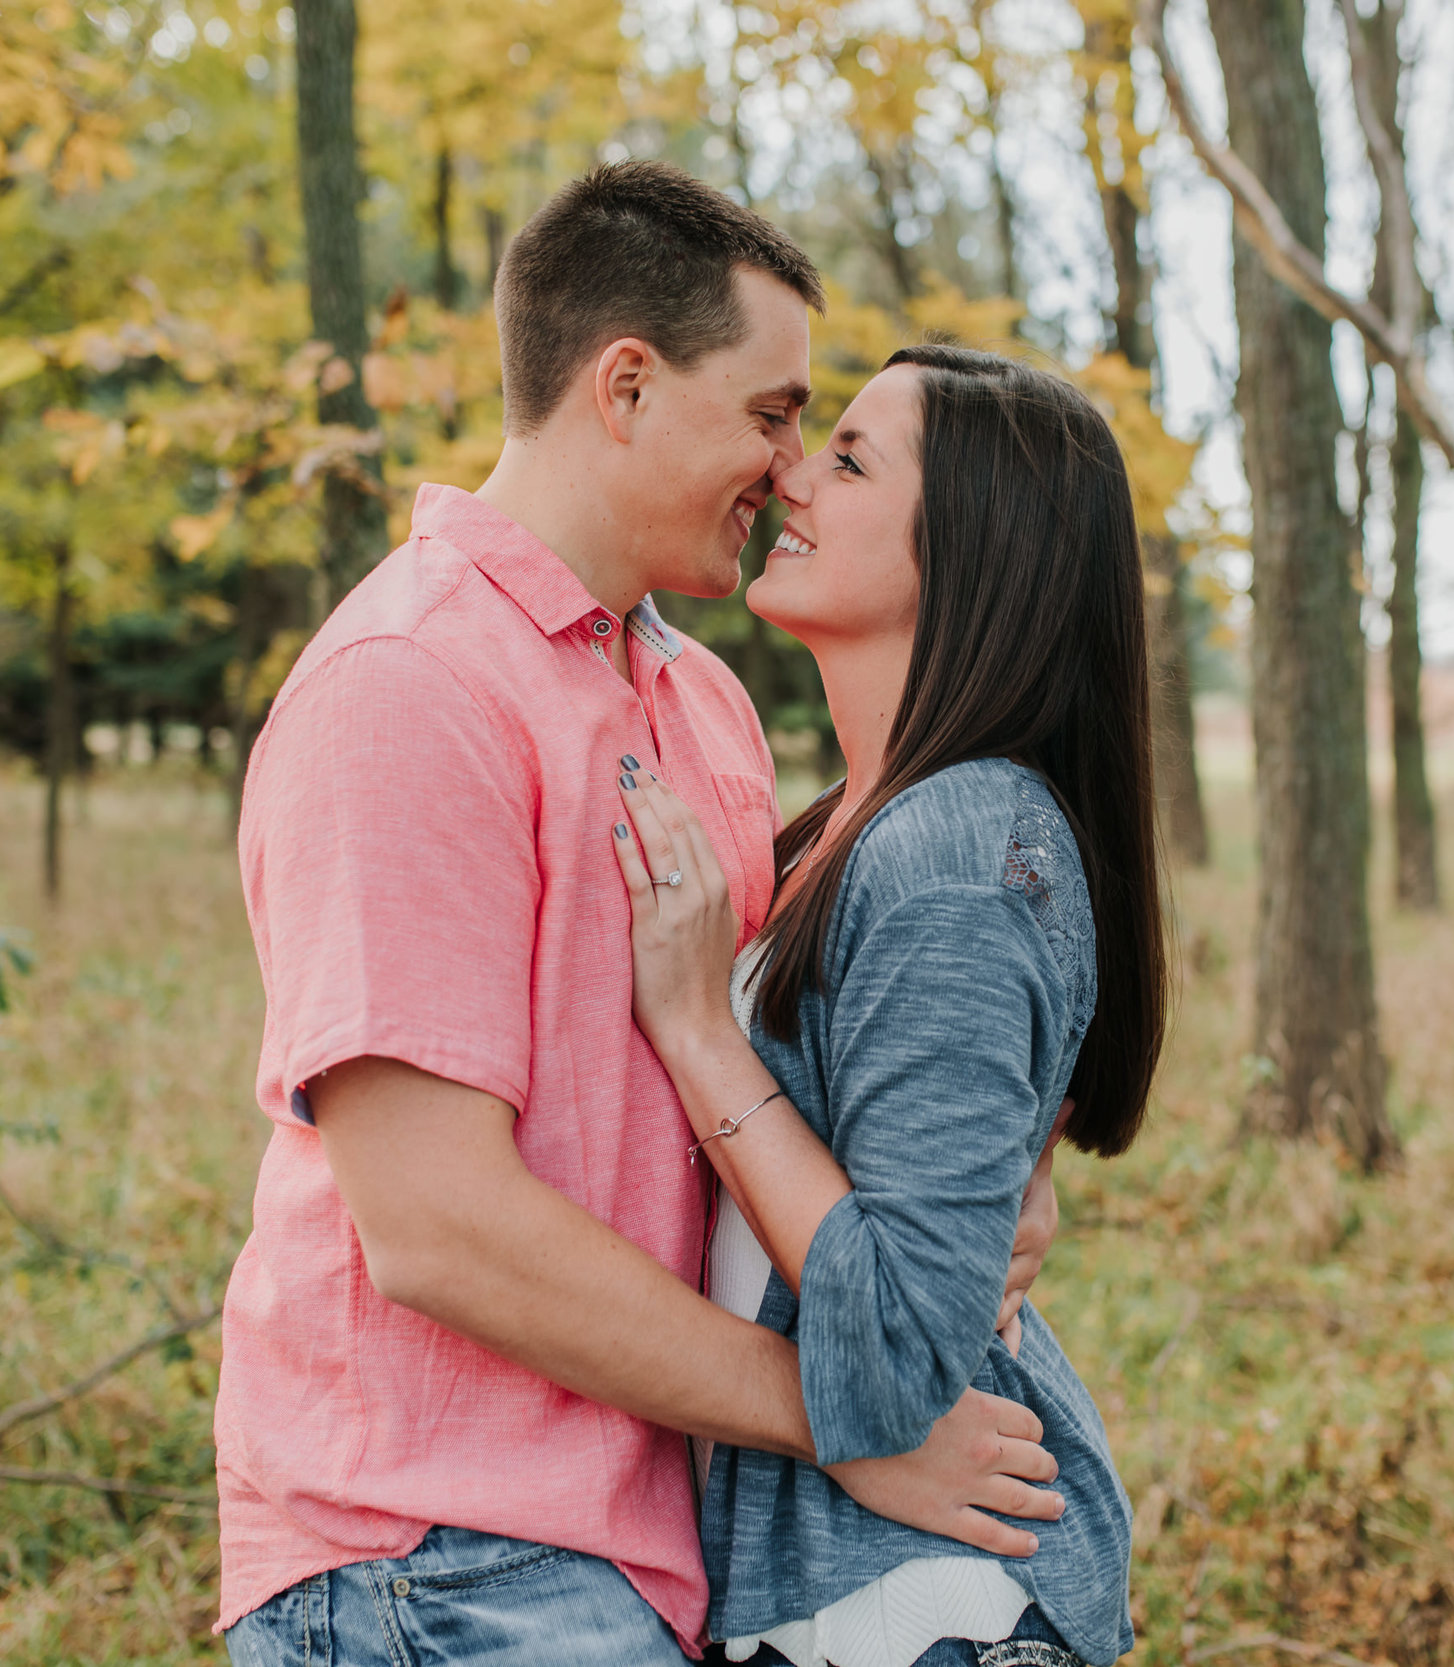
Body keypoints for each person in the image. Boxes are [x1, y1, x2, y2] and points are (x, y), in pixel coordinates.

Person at [216, 165, 1068, 1667]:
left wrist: (986, 1167)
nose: (792, 467)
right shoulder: (408, 687)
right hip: (437, 1555)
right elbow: (436, 1228)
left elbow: (768, 1061)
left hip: (658, 1541)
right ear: (624, 386)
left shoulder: (706, 699)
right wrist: (843, 1414)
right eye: (770, 414)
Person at [611, 345, 1168, 1667]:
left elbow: (903, 1354)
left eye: (850, 457)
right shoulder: (858, 830)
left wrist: (698, 1032)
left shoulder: (958, 854)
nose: (792, 473)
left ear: (978, 549)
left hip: (929, 1610)